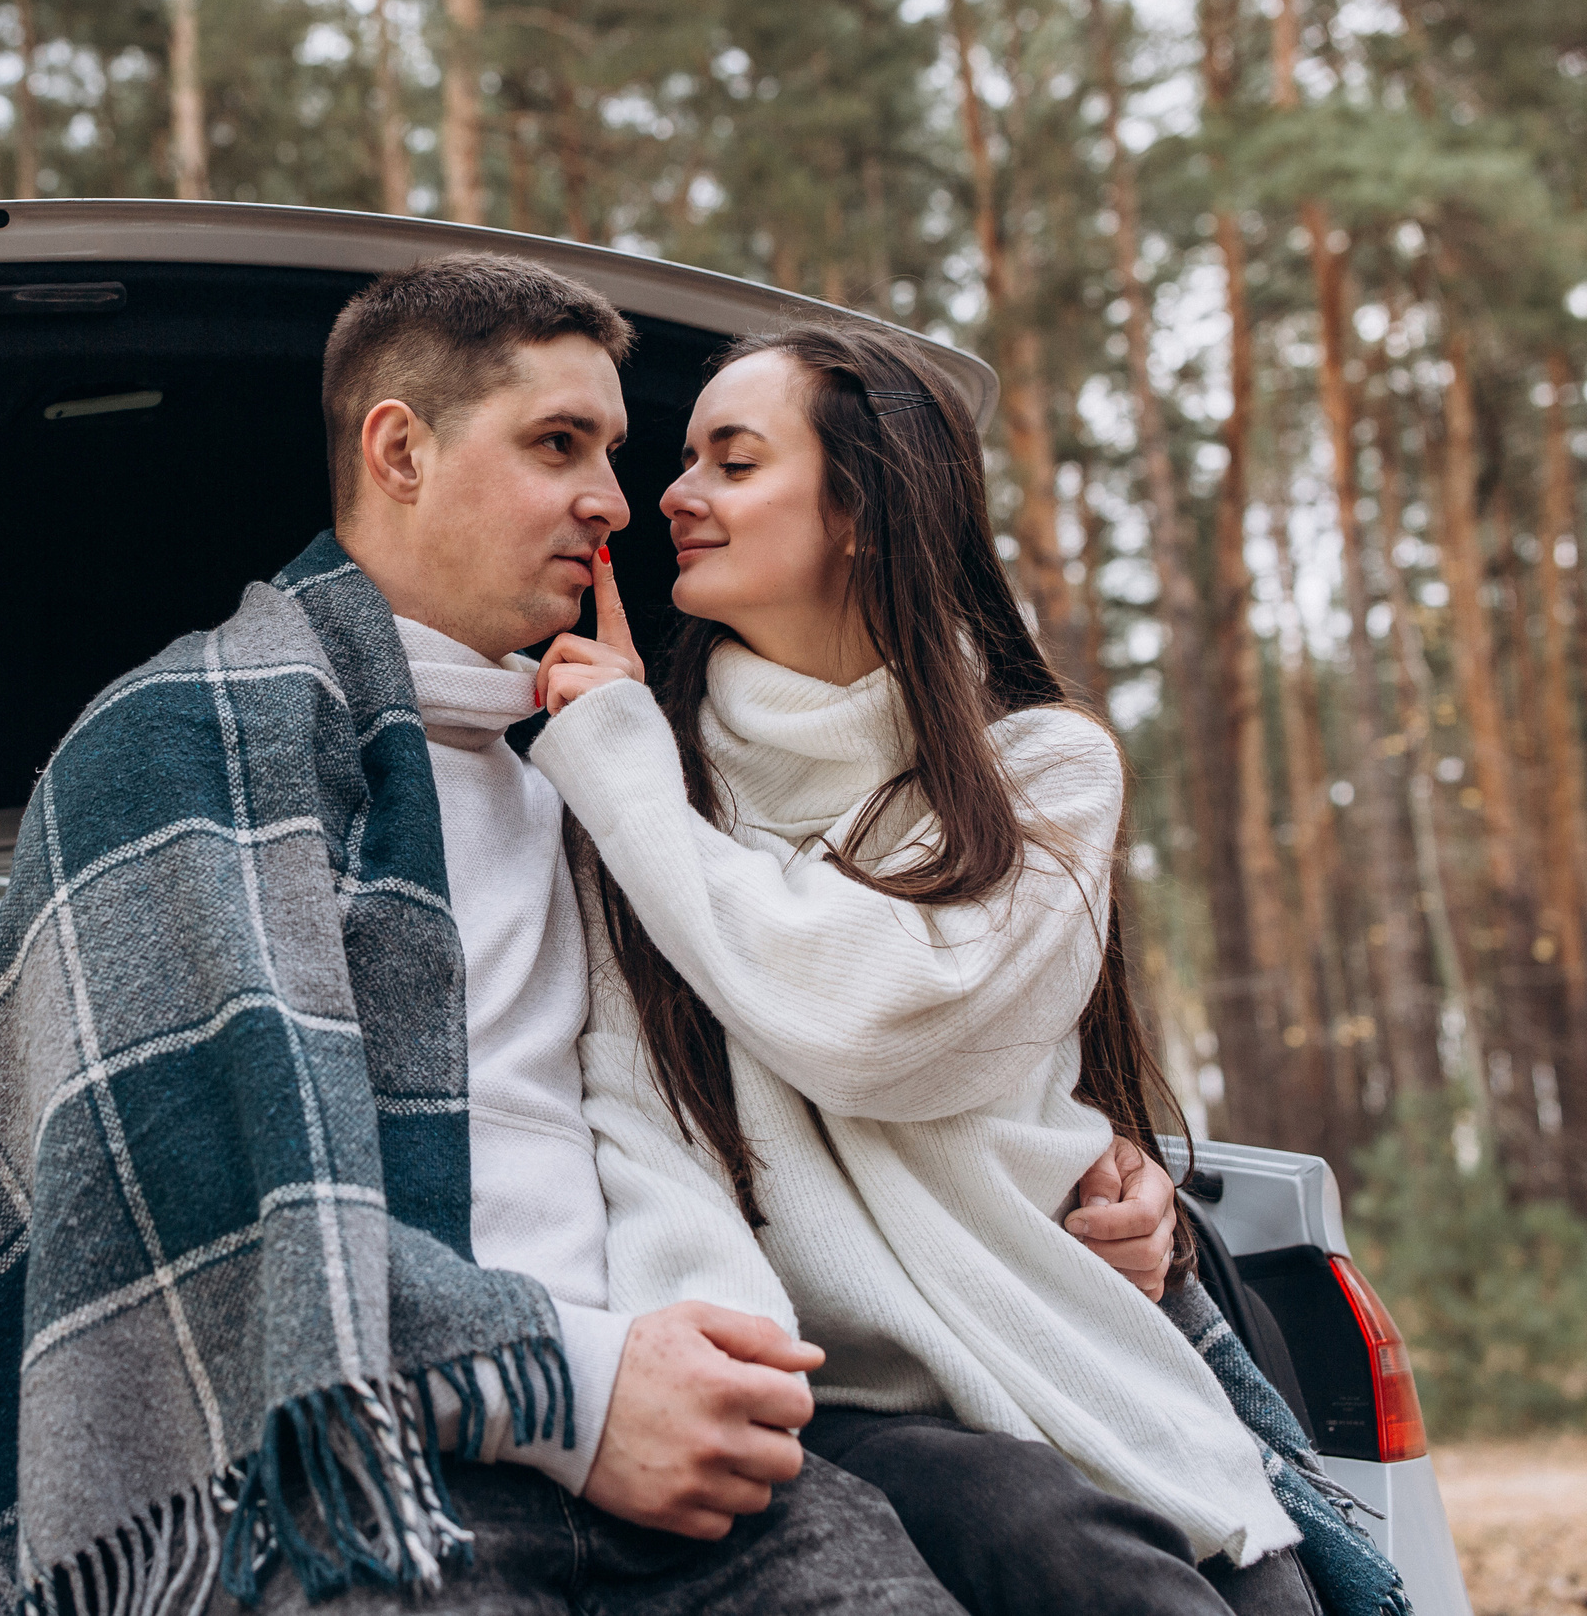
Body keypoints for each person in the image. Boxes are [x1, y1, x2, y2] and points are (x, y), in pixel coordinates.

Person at [0, 256, 1182, 1616]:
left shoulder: (623, 777)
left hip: (712, 1444)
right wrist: (575, 1386)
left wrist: (1105, 1188)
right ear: (400, 449)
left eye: (616, 452)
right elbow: (210, 1204)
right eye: (559, 444)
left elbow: (843, 1037)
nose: (618, 503)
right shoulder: (185, 741)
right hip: (381, 1464)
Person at [523, 322, 1408, 1616]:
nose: (672, 491)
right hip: (841, 1410)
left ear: (862, 515)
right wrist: (714, 1363)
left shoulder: (1039, 772)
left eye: (734, 458)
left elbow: (886, 1022)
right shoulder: (629, 780)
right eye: (688, 456)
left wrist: (627, 782)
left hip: (1089, 1378)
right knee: (1051, 1535)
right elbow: (632, 1115)